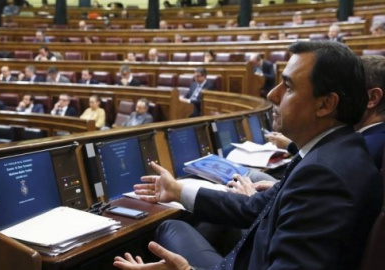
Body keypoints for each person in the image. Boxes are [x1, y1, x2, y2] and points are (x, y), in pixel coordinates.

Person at [114, 41, 383, 270]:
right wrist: (178, 190)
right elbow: (254, 207)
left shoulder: (324, 176)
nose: (272, 94)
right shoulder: (332, 151)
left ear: (326, 104)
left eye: (288, 87)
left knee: (169, 227)